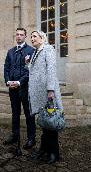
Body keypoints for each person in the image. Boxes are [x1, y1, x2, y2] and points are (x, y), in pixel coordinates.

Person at [28, 30, 64, 164]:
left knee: (51, 124)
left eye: (34, 36)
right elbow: (36, 71)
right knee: (44, 123)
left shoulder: (48, 49)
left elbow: (51, 69)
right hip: (39, 93)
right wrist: (28, 64)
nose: (32, 39)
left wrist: (50, 90)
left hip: (47, 92)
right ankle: (43, 150)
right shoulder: (35, 52)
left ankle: (54, 153)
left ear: (42, 38)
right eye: (31, 37)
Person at [3, 27, 36, 149]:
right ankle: (15, 135)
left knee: (29, 114)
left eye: (21, 35)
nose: (19, 36)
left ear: (25, 37)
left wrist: (19, 82)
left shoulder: (31, 51)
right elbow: (6, 68)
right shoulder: (10, 52)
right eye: (17, 34)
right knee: (15, 113)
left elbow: (30, 71)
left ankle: (31, 138)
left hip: (25, 88)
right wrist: (8, 82)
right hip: (12, 88)